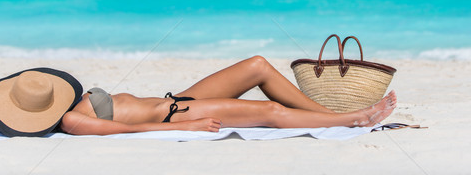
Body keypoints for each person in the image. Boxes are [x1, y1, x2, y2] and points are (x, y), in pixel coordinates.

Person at [60, 56, 396, 135]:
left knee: (257, 66)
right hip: (175, 115)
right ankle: (353, 119)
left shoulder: (74, 100)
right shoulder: (71, 119)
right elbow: (126, 130)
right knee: (270, 110)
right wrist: (182, 128)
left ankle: (324, 112)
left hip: (178, 98)